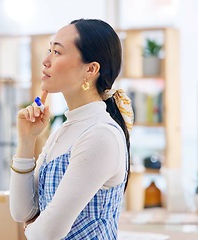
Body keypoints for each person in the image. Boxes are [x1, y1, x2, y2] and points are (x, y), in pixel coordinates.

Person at [9, 19, 133, 239]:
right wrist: (26, 140)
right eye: (49, 50)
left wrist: (33, 227)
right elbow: (21, 211)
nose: (46, 61)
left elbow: (46, 233)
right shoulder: (67, 129)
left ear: (91, 69)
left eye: (57, 52)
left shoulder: (100, 135)